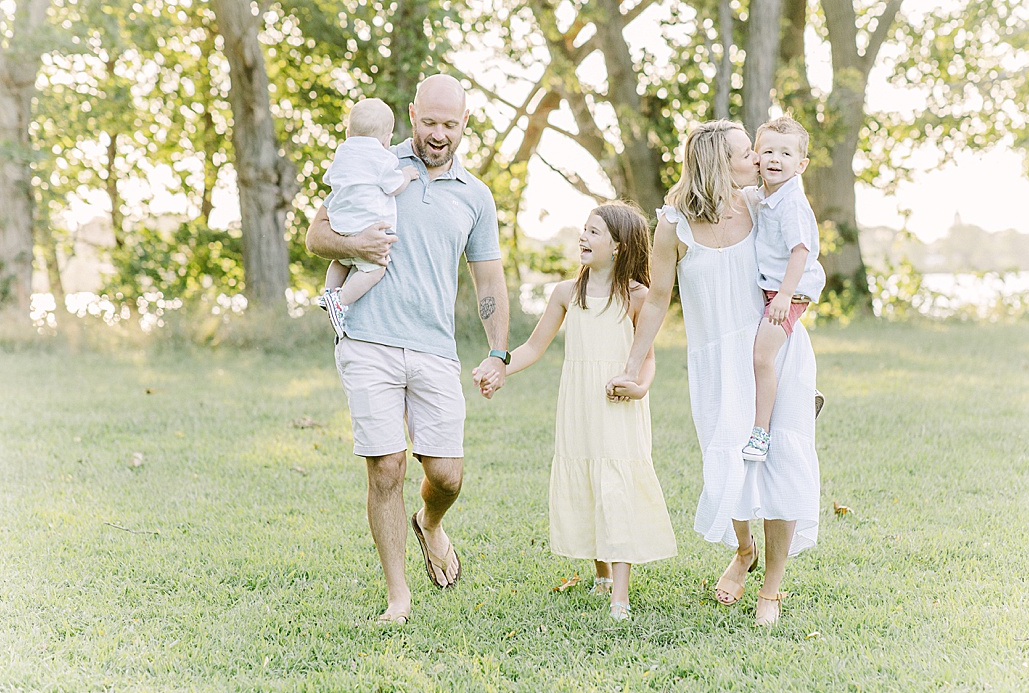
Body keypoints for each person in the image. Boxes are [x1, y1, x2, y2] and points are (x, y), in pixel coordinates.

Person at [305, 74, 511, 625]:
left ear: (464, 124)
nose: (438, 134)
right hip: (368, 338)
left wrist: (498, 352)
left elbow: (488, 281)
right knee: (386, 467)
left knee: (447, 475)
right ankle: (399, 596)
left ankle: (431, 522)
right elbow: (316, 235)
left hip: (434, 347)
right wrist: (354, 245)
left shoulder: (475, 195)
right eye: (429, 122)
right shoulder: (373, 161)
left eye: (450, 124)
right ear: (413, 115)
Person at [607, 120, 819, 627]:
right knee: (729, 465)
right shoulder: (672, 224)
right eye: (749, 152)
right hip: (716, 362)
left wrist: (792, 314)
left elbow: (801, 263)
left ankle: (771, 590)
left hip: (773, 352)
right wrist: (633, 366)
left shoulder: (764, 206)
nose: (759, 159)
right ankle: (742, 549)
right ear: (720, 164)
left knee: (781, 463)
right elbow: (657, 300)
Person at [474, 203, 676, 622]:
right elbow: (533, 347)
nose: (583, 237)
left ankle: (620, 595)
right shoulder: (566, 293)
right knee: (587, 480)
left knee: (616, 485)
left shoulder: (638, 297)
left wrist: (638, 385)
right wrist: (500, 366)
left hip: (618, 403)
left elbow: (649, 356)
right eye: (584, 230)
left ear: (618, 247)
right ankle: (601, 572)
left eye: (594, 232)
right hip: (579, 404)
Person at [740, 116, 825, 462]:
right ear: (756, 157)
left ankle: (761, 433)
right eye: (769, 151)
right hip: (775, 288)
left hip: (787, 292)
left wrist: (785, 297)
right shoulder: (766, 194)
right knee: (770, 352)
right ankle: (803, 394)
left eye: (786, 154)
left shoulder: (791, 203)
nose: (776, 159)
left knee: (761, 356)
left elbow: (800, 251)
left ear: (801, 164)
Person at [318, 97, 420, 339]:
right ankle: (340, 302)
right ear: (386, 140)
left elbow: (329, 179)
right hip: (367, 227)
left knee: (341, 261)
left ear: (348, 131)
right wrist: (405, 175)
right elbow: (392, 186)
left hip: (340, 224)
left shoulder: (342, 153)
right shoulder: (382, 157)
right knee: (374, 270)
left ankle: (328, 293)